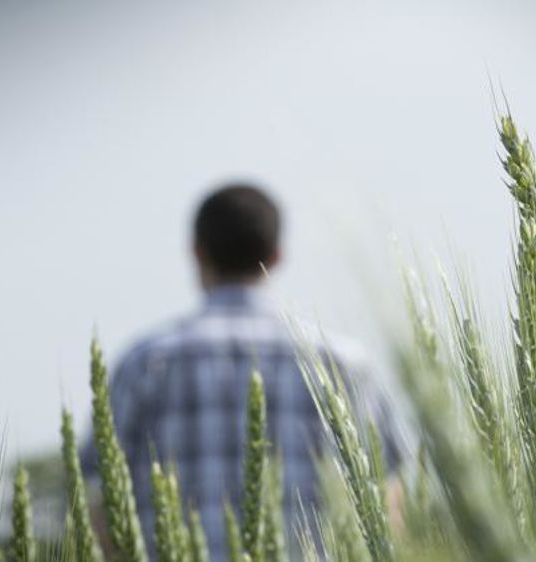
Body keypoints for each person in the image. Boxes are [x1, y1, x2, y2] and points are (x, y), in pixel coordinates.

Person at [83, 182, 399, 560]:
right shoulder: (344, 364)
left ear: (197, 253)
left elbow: (102, 506)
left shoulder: (144, 364)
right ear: (278, 255)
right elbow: (389, 506)